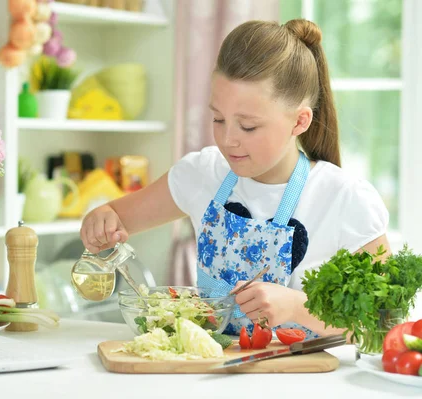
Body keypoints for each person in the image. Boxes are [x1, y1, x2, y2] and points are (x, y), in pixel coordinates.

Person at [79, 19, 390, 337]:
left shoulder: (344, 198)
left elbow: (382, 324)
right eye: (218, 118)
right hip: (215, 374)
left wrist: (299, 307)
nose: (227, 140)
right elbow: (117, 216)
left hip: (304, 383)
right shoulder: (202, 173)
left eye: (248, 126)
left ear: (299, 121)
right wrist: (101, 220)